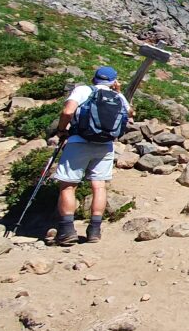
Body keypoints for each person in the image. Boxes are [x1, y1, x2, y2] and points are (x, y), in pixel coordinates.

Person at [52, 66, 131, 246]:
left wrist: (61, 130)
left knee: (68, 185)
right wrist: (118, 92)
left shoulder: (83, 90)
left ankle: (66, 230)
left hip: (79, 141)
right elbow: (130, 113)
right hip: (105, 145)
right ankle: (94, 230)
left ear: (94, 78)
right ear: (114, 81)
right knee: (99, 186)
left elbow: (67, 111)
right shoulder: (118, 96)